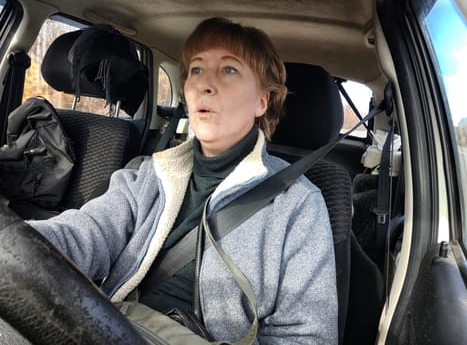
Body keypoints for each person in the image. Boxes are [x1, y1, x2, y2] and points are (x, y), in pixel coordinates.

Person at [28, 17, 338, 344]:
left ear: (263, 101)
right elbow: (84, 233)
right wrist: (16, 241)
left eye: (229, 70)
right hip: (108, 330)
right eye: (196, 70)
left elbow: (307, 335)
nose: (205, 84)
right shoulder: (147, 174)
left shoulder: (298, 203)